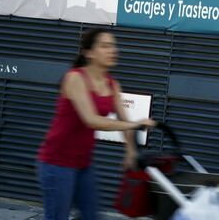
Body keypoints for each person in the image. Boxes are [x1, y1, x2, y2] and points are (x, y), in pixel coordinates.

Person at [37, 28, 155, 220]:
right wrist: (133, 125)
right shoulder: (75, 78)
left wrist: (131, 151)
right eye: (105, 46)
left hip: (83, 163)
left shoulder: (112, 84)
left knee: (92, 216)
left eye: (113, 45)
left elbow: (123, 119)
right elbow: (91, 120)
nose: (113, 50)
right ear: (89, 52)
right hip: (56, 162)